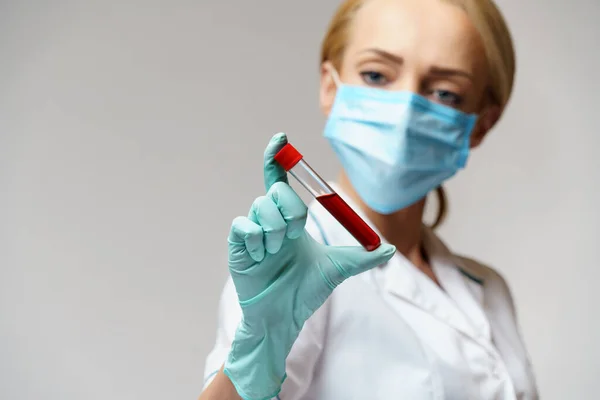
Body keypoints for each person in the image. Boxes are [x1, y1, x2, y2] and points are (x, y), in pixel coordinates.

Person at [200, 0, 539, 398]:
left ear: (481, 124)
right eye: (377, 75)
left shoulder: (489, 289)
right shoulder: (296, 265)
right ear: (330, 87)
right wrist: (260, 348)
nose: (405, 111)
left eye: (446, 93)